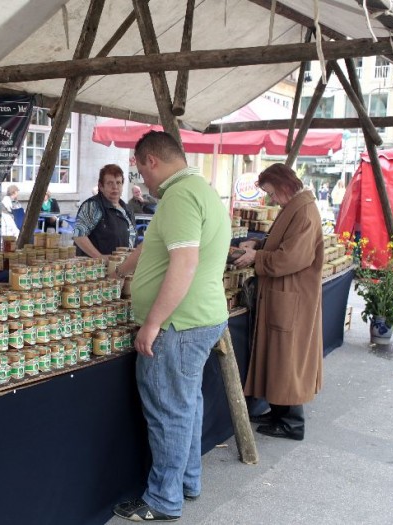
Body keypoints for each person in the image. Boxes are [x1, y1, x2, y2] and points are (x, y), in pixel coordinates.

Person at [110, 131, 229, 522]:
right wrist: (121, 269)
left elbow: (184, 264)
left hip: (179, 324)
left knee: (169, 411)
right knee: (187, 403)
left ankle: (163, 499)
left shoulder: (179, 197)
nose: (142, 180)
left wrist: (153, 322)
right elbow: (153, 245)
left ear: (152, 161)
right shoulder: (199, 189)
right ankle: (187, 481)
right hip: (202, 317)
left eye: (141, 171)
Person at [234, 163, 324, 442]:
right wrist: (258, 245)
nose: (272, 199)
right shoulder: (295, 207)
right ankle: (279, 413)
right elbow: (281, 243)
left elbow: (291, 257)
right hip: (283, 294)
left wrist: (256, 257)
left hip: (291, 295)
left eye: (272, 193)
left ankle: (291, 422)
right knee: (278, 356)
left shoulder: (304, 211)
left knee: (288, 358)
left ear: (284, 186)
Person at [73, 164, 135, 259]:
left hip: (122, 265)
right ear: (101, 186)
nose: (115, 187)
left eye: (118, 182)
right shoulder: (93, 206)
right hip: (97, 266)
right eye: (110, 183)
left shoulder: (127, 209)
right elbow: (79, 236)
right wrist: (100, 257)